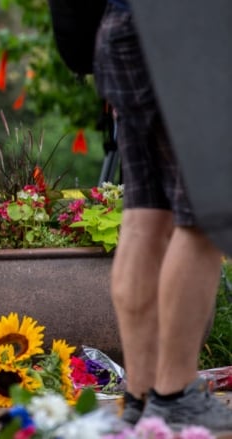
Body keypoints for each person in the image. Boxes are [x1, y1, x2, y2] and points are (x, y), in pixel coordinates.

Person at [94, 0, 232, 430]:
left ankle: (142, 395)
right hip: (187, 35)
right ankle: (175, 394)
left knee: (144, 215)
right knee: (206, 214)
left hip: (121, 28)